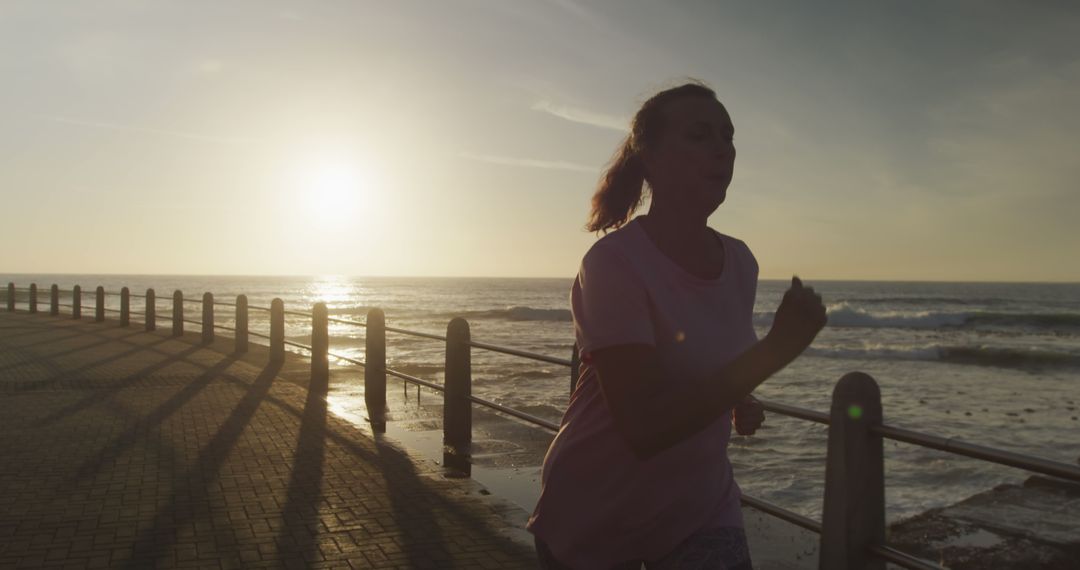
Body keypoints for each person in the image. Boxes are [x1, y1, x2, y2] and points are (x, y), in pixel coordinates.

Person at [525, 82, 828, 569]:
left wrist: (738, 398)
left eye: (728, 137)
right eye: (699, 135)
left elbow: (708, 354)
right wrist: (775, 351)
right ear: (650, 157)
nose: (721, 150)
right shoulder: (614, 264)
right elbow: (643, 426)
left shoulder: (741, 262)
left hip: (700, 508)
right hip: (598, 512)